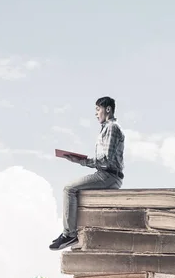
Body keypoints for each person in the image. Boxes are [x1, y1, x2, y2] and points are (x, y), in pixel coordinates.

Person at [49, 96, 125, 251]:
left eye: (98, 109)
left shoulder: (111, 127)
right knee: (75, 190)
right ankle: (72, 234)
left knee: (69, 189)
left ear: (108, 109)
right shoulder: (106, 128)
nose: (96, 114)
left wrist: (80, 160)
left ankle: (69, 235)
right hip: (107, 174)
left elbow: (106, 160)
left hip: (108, 175)